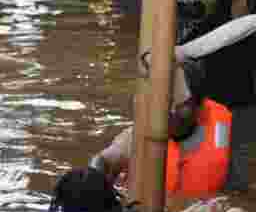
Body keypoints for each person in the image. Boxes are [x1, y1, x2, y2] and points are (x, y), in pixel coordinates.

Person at [89, 58, 234, 202]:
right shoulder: (141, 134)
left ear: (200, 105)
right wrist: (96, 184)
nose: (171, 111)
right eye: (167, 101)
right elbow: (104, 160)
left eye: (181, 103)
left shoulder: (224, 132)